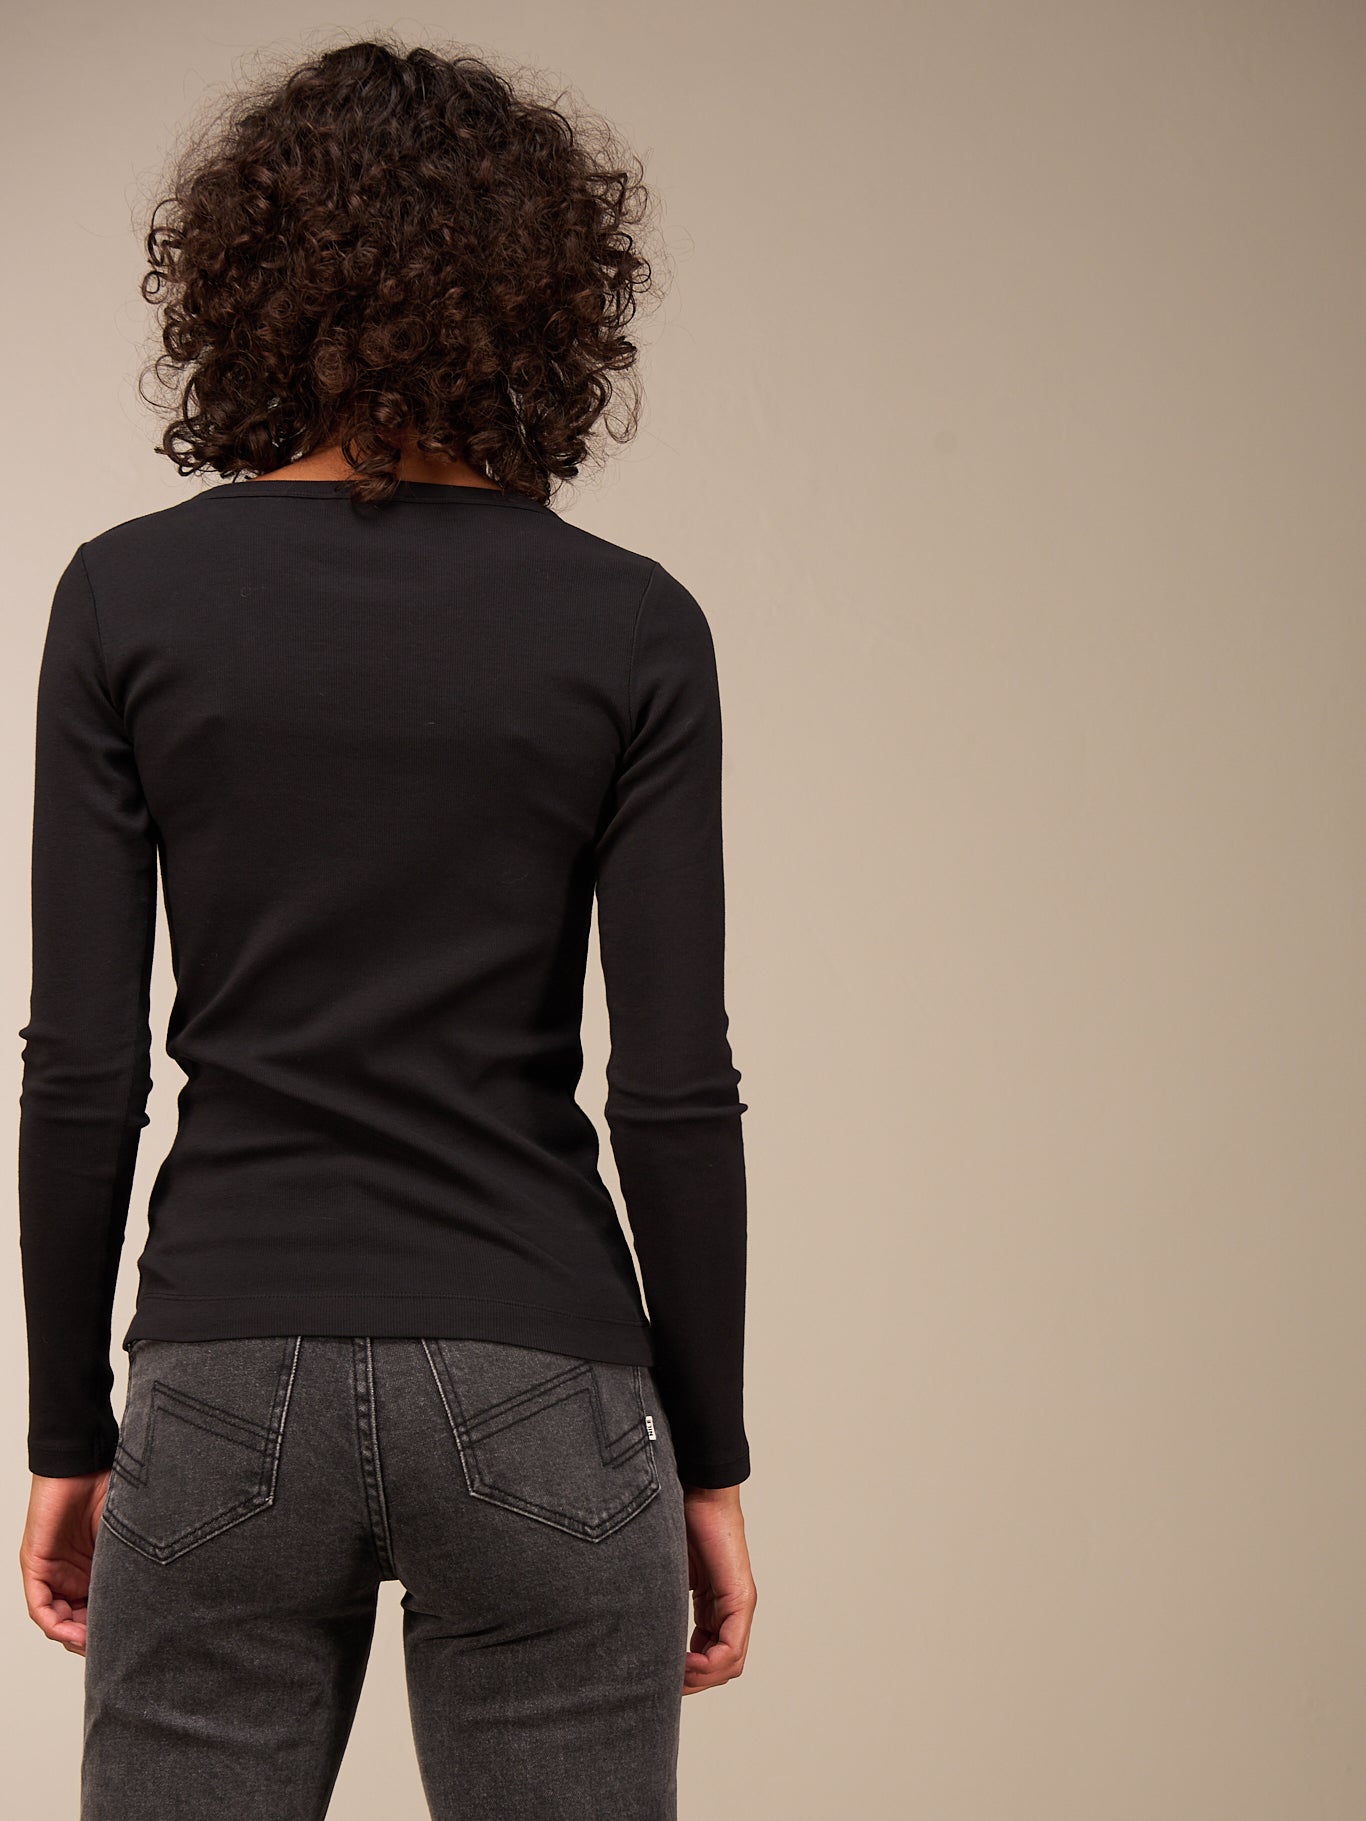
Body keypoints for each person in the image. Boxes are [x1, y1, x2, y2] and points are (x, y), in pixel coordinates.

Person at [15, 36, 756, 1820]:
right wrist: (710, 1457)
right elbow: (669, 1087)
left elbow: (83, 1070)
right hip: (539, 1369)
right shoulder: (630, 628)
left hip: (222, 1367)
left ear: (245, 286)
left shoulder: (125, 600)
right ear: (543, 300)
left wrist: (64, 1430)